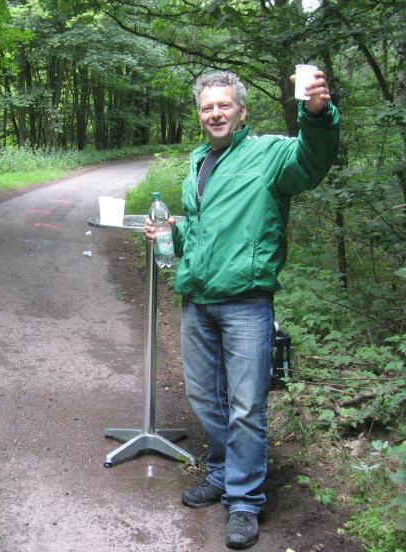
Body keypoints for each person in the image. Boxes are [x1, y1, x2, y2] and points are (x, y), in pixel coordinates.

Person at [146, 70, 339, 549]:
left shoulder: (269, 154)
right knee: (204, 398)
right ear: (199, 115)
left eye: (224, 105)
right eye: (207, 107)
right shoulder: (199, 160)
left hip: (246, 302)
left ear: (242, 110)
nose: (215, 113)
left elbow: (312, 160)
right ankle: (221, 471)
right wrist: (172, 233)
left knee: (247, 406)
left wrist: (316, 114)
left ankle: (245, 500)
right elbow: (203, 230)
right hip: (197, 298)